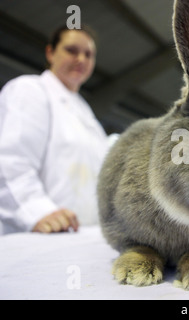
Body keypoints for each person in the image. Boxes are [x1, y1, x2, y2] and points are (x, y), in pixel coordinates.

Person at [0, 26, 109, 234]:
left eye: (89, 54)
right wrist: (38, 212)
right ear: (50, 53)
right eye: (71, 50)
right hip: (36, 236)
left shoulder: (86, 114)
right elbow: (8, 164)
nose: (81, 59)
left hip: (80, 237)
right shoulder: (29, 90)